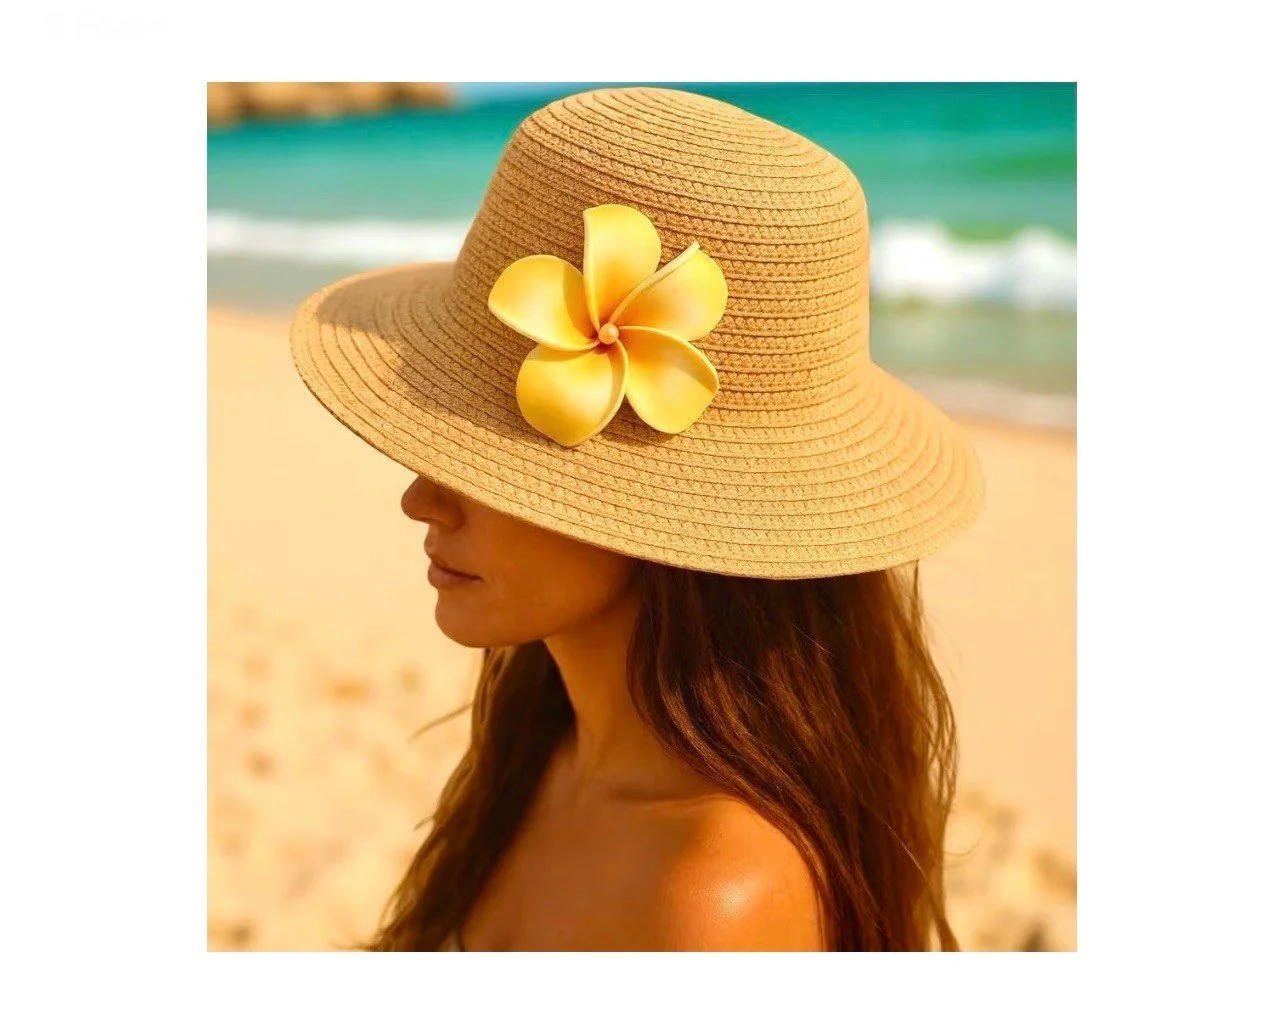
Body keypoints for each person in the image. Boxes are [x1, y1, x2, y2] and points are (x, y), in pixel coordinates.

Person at [289, 86, 984, 951]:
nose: (420, 497)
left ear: (668, 514)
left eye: (490, 454)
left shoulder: (711, 899)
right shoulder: (544, 754)